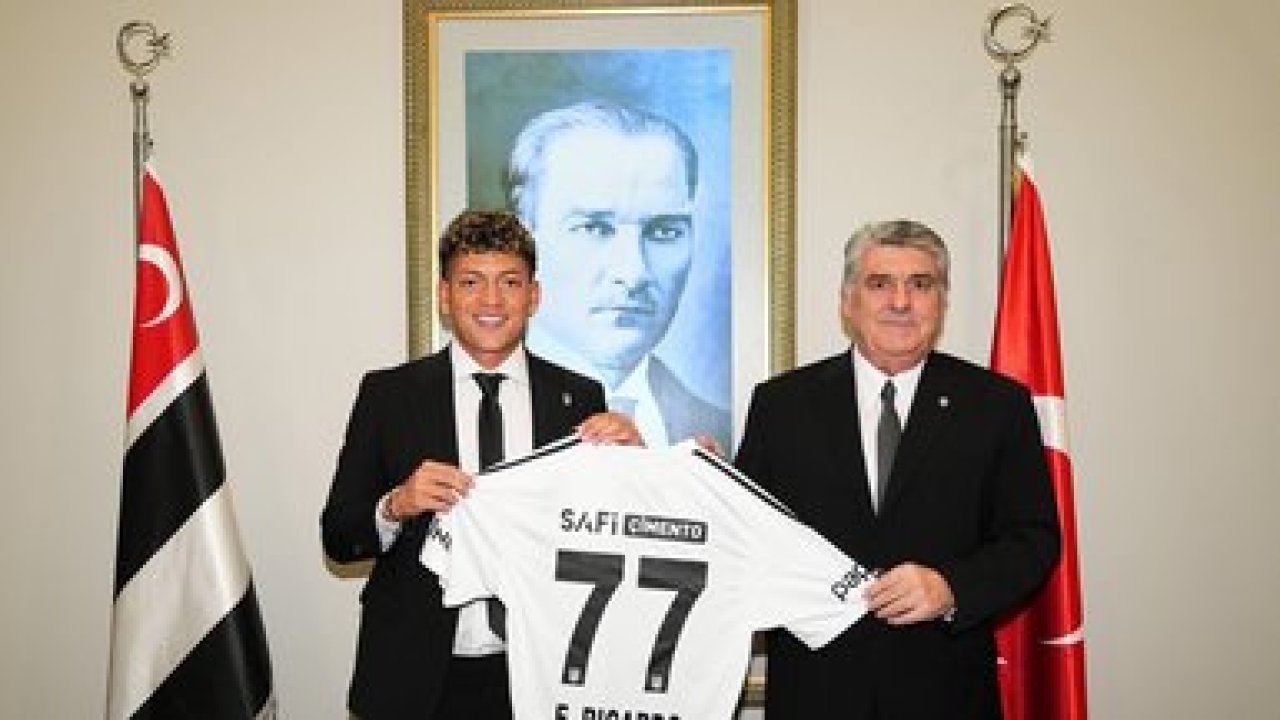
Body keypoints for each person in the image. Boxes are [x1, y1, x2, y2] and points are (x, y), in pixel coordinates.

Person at [734, 219, 1061, 718]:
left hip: (945, 693)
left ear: (942, 303)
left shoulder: (997, 405)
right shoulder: (782, 405)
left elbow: (1033, 539)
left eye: (921, 284)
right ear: (847, 301)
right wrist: (702, 480)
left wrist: (951, 587)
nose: (901, 302)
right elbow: (745, 536)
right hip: (816, 693)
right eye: (879, 283)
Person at [321, 210, 640, 720]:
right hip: (415, 678)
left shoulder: (579, 398)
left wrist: (637, 468)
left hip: (543, 674)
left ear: (533, 296)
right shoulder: (388, 395)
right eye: (472, 282)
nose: (491, 300)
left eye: (509, 282)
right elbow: (339, 536)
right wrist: (395, 505)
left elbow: (612, 537)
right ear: (445, 296)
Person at [505, 99, 732, 452]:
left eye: (663, 231)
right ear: (525, 239)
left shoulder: (725, 434)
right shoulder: (469, 415)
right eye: (594, 227)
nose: (634, 273)